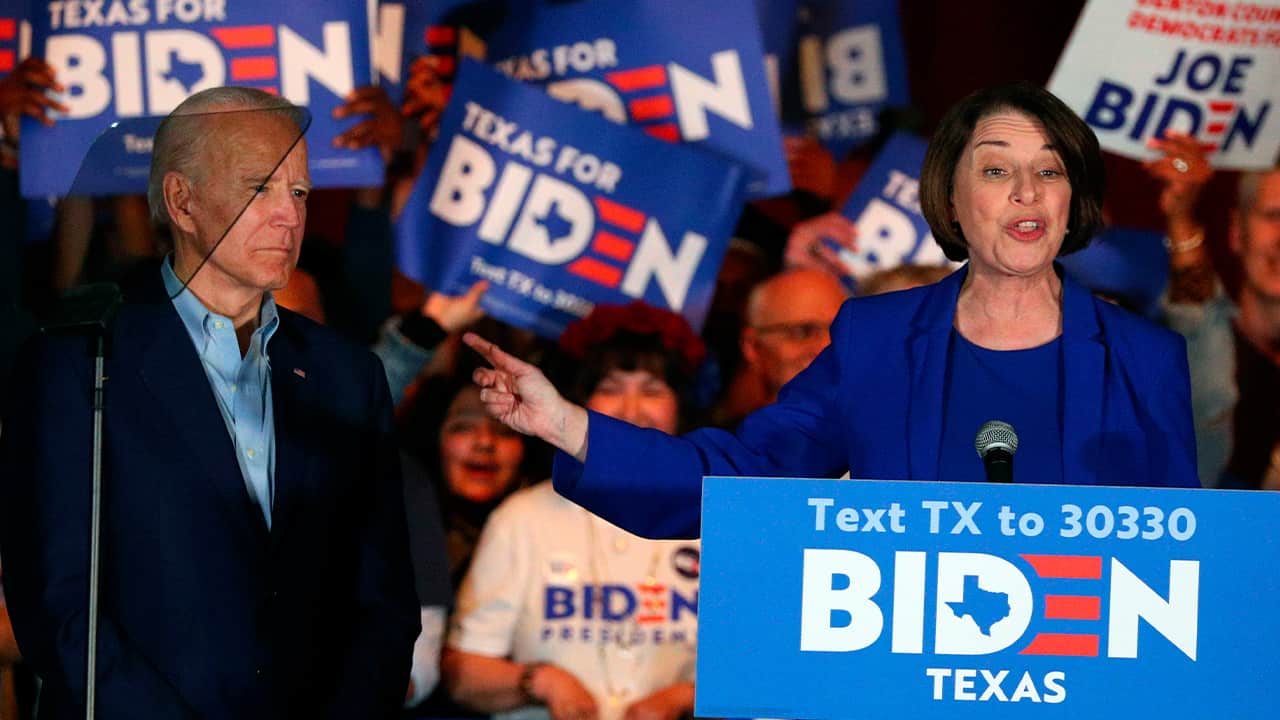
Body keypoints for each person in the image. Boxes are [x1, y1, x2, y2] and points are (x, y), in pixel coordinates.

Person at [461, 82, 1200, 540]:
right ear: (951, 199)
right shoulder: (878, 339)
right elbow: (745, 477)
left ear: (1073, 200)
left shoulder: (1145, 357)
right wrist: (566, 424)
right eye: (997, 168)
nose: (1027, 192)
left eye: (1050, 171)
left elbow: (1186, 551)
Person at [0, 87, 419, 718]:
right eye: (259, 189)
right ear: (182, 201)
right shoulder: (81, 361)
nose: (289, 216)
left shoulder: (348, 376)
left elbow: (384, 601)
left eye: (299, 192)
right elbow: (57, 603)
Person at [444, 303, 701, 720]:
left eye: (652, 390)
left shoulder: (719, 519)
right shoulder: (523, 517)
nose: (631, 409)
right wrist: (539, 681)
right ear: (578, 402)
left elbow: (767, 668)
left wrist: (686, 697)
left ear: (681, 405)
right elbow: (462, 673)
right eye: (611, 388)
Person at [1152, 136, 1280, 489]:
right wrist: (1181, 216)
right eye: (1274, 216)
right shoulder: (1184, 352)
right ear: (1237, 232)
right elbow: (1197, 321)